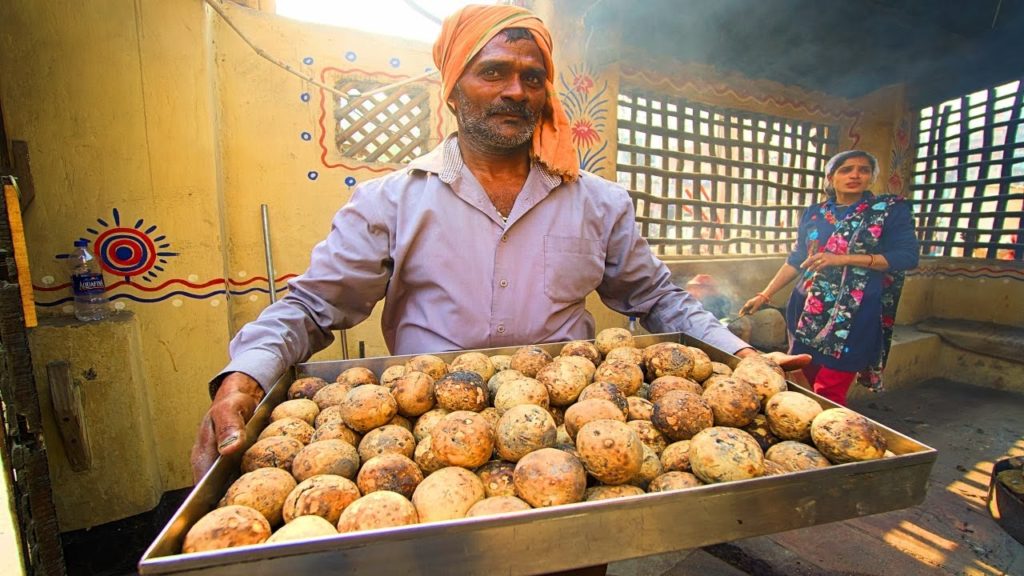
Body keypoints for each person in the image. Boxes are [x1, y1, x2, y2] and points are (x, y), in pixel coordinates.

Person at [190, 4, 808, 481]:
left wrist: (739, 354)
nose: (516, 90)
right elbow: (310, 307)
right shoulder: (391, 201)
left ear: (545, 95)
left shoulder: (599, 202)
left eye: (531, 77)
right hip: (427, 435)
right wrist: (244, 376)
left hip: (570, 436)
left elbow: (660, 301)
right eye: (493, 72)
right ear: (453, 89)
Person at [739, 150, 919, 405]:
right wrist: (764, 294)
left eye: (863, 170)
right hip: (807, 310)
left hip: (855, 314)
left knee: (830, 389)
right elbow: (796, 259)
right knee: (806, 378)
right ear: (831, 177)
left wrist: (844, 258)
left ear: (871, 177)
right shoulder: (814, 214)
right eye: (846, 169)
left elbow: (907, 257)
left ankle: (832, 433)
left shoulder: (888, 211)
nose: (855, 174)